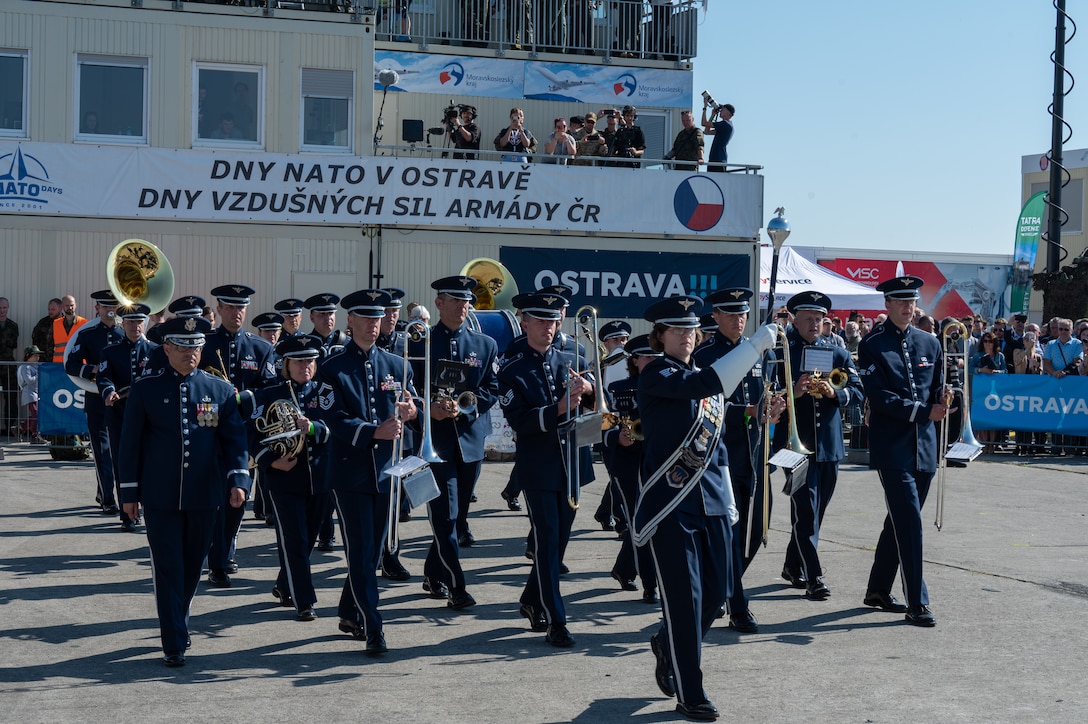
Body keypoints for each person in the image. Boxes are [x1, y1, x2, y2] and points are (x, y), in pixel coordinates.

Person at [631, 295, 776, 721]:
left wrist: (729, 497)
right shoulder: (656, 372)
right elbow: (703, 386)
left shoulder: (701, 375)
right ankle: (690, 691)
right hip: (672, 504)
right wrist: (753, 348)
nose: (687, 337)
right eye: (676, 330)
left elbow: (718, 443)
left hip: (711, 500)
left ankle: (666, 642)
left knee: (719, 593)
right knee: (686, 600)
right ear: (660, 335)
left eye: (691, 330)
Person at [118, 315, 250, 667]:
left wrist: (239, 479)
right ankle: (174, 639)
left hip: (204, 495)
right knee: (168, 566)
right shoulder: (146, 389)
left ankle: (179, 618)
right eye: (181, 346)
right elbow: (129, 445)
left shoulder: (219, 390)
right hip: (160, 496)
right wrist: (128, 494)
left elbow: (235, 439)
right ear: (167, 348)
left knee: (193, 564)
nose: (189, 352)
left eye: (195, 346)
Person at [318, 289, 418, 655]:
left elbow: (413, 402)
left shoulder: (398, 364)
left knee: (373, 554)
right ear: (351, 321)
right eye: (365, 318)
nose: (372, 325)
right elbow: (332, 417)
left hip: (388, 472)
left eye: (377, 319)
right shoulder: (332, 368)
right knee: (361, 555)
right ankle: (374, 626)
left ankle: (349, 610)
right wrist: (373, 431)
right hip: (351, 475)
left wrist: (411, 411)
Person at [497, 291, 593, 648]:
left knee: (559, 543)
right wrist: (559, 407)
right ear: (524, 322)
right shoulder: (512, 367)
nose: (548, 328)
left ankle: (530, 599)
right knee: (548, 541)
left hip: (573, 464)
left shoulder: (572, 358)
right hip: (538, 466)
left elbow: (596, 405)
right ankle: (557, 620)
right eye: (540, 320)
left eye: (553, 321)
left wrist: (590, 389)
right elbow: (519, 421)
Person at [692, 287, 785, 634]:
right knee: (730, 538)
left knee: (757, 531)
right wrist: (745, 412)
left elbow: (763, 396)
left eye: (743, 314)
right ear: (715, 317)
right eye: (730, 314)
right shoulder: (706, 355)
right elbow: (705, 403)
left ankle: (719, 589)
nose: (738, 320)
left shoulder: (759, 353)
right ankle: (738, 605)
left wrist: (773, 408)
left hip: (756, 455)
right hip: (723, 458)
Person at [857, 275, 948, 627]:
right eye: (901, 302)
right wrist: (925, 411)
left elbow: (939, 386)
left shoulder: (930, 342)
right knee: (910, 522)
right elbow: (880, 398)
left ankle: (878, 589)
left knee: (898, 519)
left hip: (924, 446)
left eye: (912, 302)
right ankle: (917, 602)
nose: (908, 308)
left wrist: (946, 400)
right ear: (887, 305)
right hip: (892, 445)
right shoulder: (872, 345)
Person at [407, 275, 499, 608]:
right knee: (444, 517)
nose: (463, 307)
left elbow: (492, 389)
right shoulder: (421, 342)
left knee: (457, 518)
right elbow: (408, 390)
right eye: (456, 300)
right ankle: (457, 585)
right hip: (436, 444)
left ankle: (433, 574)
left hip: (470, 442)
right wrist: (427, 409)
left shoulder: (484, 344)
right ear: (439, 303)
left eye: (467, 301)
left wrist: (466, 408)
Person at [774, 291, 863, 601]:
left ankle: (791, 565)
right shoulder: (781, 352)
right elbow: (766, 394)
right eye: (808, 318)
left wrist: (834, 395)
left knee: (815, 513)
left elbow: (858, 390)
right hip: (795, 446)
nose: (814, 324)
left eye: (819, 319)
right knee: (806, 510)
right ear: (795, 320)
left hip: (829, 445)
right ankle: (815, 577)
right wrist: (792, 392)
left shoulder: (837, 353)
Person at [247, 334, 331, 622]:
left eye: (310, 360)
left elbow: (338, 426)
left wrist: (314, 428)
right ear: (286, 364)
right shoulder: (269, 393)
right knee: (294, 541)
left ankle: (285, 586)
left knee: (306, 541)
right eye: (299, 361)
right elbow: (251, 433)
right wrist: (270, 461)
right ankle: (304, 600)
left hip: (320, 478)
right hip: (284, 479)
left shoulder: (326, 392)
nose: (305, 366)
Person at [200, 284, 277, 587]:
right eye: (230, 307)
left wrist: (243, 395)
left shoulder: (260, 348)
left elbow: (270, 390)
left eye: (240, 308)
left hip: (244, 436)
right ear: (218, 309)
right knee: (211, 500)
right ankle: (214, 560)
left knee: (235, 501)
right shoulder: (204, 344)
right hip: (207, 432)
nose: (236, 313)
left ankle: (221, 556)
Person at [601, 334, 659, 602]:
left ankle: (624, 569)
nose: (652, 361)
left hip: (659, 459)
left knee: (650, 520)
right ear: (634, 360)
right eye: (646, 357)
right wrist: (616, 437)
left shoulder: (665, 385)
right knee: (641, 520)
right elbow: (600, 424)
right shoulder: (618, 388)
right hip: (627, 463)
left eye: (655, 356)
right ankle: (650, 584)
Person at [97, 303, 157, 532]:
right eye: (131, 322)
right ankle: (127, 514)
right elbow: (103, 377)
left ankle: (147, 508)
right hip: (119, 415)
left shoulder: (156, 350)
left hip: (149, 418)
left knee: (149, 463)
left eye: (139, 321)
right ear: (123, 324)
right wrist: (108, 391)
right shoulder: (110, 351)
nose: (135, 326)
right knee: (123, 463)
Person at [65, 290, 125, 514]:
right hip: (97, 400)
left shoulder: (124, 332)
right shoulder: (88, 334)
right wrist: (91, 369)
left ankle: (121, 495)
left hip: (121, 401)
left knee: (121, 452)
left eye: (114, 306)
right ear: (97, 308)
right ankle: (108, 498)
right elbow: (71, 364)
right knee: (101, 452)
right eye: (105, 306)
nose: (110, 310)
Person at [1043, 318, 1081, 456]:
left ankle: (1070, 446)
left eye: (1066, 329)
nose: (1063, 332)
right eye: (1061, 329)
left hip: (1071, 383)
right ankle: (1056, 446)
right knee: (1056, 413)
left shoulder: (1077, 343)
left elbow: (1077, 360)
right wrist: (1055, 373)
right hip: (1055, 383)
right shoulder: (1051, 344)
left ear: (1071, 330)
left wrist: (1064, 372)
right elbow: (1046, 362)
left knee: (1070, 414)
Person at [968, 332, 1006, 454]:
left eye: (990, 341)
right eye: (985, 341)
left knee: (992, 417)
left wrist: (997, 372)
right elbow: (969, 368)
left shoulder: (999, 356)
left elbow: (1005, 370)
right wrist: (981, 370)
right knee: (982, 416)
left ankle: (992, 445)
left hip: (995, 390)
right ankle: (983, 444)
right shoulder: (978, 355)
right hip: (981, 390)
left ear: (994, 343)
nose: (988, 344)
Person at [17, 345, 46, 444]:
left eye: (38, 356)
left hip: (37, 393)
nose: (37, 358)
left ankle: (21, 427)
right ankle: (34, 434)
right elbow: (29, 381)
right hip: (29, 394)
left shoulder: (36, 366)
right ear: (28, 356)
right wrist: (38, 374)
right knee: (36, 414)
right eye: (35, 356)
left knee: (36, 414)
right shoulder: (26, 367)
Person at [0, 296, 18, 434]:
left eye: (4, 307)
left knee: (10, 397)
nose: (2, 310)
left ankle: (10, 428)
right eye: (0, 308)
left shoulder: (13, 326)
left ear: (8, 308)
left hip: (8, 366)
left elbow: (13, 345)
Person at [52, 294, 88, 363]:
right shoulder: (56, 323)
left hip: (78, 364)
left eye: (72, 305)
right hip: (59, 364)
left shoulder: (84, 323)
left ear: (75, 305)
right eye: (67, 306)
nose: (70, 308)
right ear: (62, 307)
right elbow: (50, 345)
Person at [701, 103, 734, 173]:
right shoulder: (727, 125)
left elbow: (703, 123)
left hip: (718, 159)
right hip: (717, 158)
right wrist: (712, 115)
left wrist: (705, 108)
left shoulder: (725, 124)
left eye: (723, 109)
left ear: (728, 113)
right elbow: (706, 131)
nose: (720, 111)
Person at [31, 298, 62, 364]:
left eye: (53, 309)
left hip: (59, 361)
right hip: (44, 361)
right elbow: (35, 339)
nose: (50, 312)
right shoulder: (43, 322)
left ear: (60, 308)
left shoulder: (65, 323)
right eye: (49, 309)